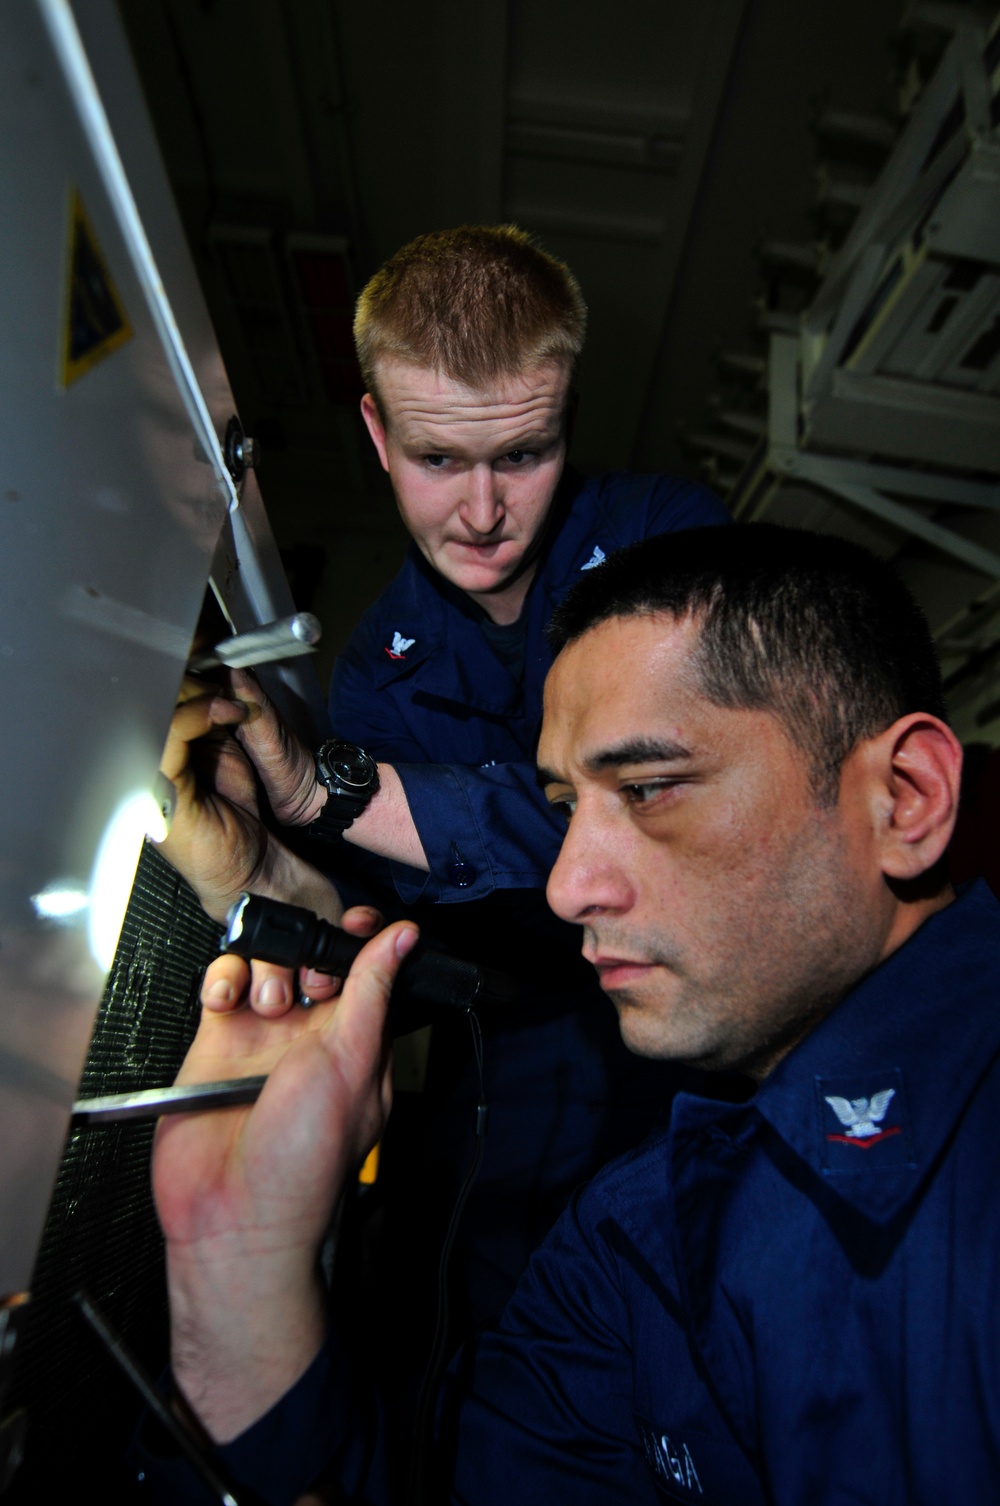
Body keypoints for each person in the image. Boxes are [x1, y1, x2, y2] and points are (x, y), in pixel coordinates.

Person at [144, 522, 1000, 1505]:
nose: (568, 887)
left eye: (647, 789)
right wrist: (236, 1270)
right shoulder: (627, 1243)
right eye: (565, 808)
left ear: (903, 798)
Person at [167, 225, 730, 1379]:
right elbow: (394, 935)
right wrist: (256, 868)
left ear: (567, 414)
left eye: (521, 454)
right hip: (512, 1068)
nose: (480, 512)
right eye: (436, 459)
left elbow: (647, 818)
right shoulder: (377, 671)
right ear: (375, 432)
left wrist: (334, 787)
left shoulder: (669, 545)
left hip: (708, 1036)